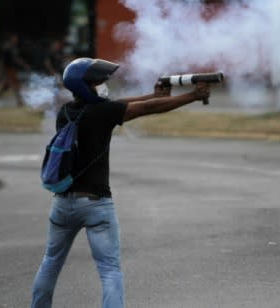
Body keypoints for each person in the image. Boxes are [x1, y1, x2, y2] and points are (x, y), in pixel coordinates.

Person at [31, 57, 211, 308]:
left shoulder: (66, 112)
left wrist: (151, 95)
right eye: (97, 81)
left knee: (50, 262)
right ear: (86, 86)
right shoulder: (103, 113)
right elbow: (145, 110)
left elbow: (118, 106)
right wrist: (192, 96)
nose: (103, 84)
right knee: (109, 270)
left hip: (62, 203)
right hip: (96, 205)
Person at [0, 34, 30, 107]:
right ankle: (19, 101)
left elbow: (16, 58)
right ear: (11, 39)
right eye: (14, 38)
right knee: (16, 84)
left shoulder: (12, 47)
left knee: (6, 86)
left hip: (11, 68)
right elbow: (1, 60)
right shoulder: (7, 47)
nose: (16, 40)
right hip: (8, 68)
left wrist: (24, 64)